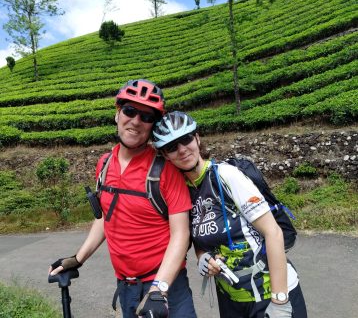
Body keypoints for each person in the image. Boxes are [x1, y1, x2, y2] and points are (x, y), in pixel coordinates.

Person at [49, 80, 197, 318]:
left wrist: (159, 290)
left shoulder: (166, 170)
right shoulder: (105, 164)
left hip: (167, 286)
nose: (136, 121)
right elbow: (108, 215)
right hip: (126, 287)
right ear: (117, 113)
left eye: (147, 116)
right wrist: (78, 258)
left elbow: (181, 234)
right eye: (130, 110)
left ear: (153, 126)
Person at [152, 111, 307, 318]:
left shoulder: (225, 175)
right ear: (165, 155)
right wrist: (203, 257)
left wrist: (280, 301)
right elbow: (199, 238)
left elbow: (273, 233)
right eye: (172, 147)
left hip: (269, 293)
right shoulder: (184, 192)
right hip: (231, 300)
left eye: (186, 139)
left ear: (197, 138)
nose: (182, 150)